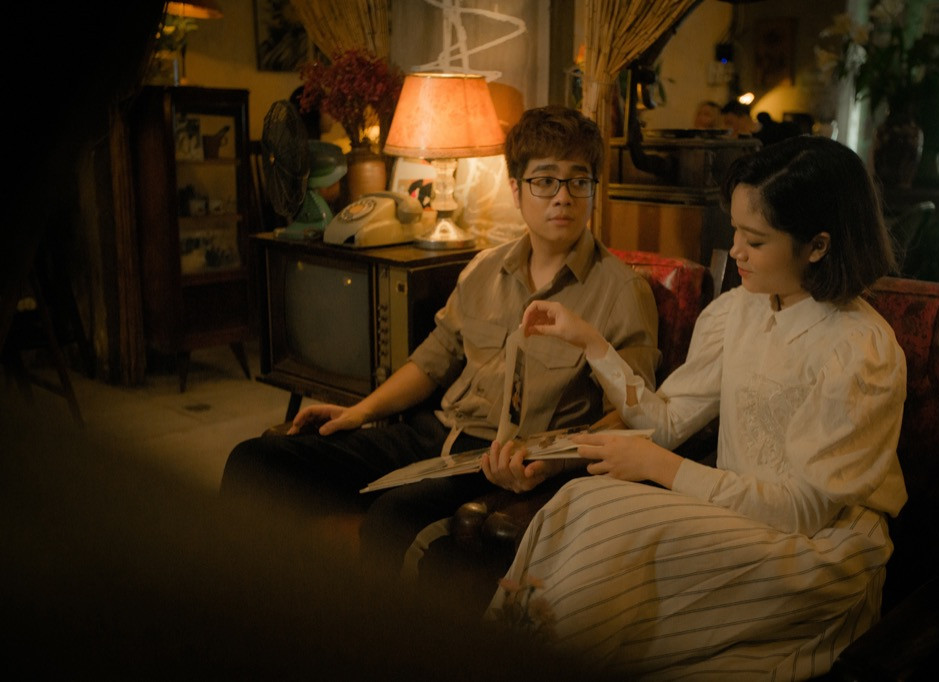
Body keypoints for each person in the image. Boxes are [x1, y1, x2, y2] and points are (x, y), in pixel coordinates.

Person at [486, 135, 908, 679]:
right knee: (582, 500)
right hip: (737, 518)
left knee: (608, 524)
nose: (736, 251)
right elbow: (665, 422)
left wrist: (659, 467)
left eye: (755, 240)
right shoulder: (739, 311)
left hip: (816, 550)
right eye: (735, 231)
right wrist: (591, 343)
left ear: (818, 246)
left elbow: (804, 511)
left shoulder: (859, 350)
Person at [220, 104, 660, 578]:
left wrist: (554, 461)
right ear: (516, 189)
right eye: (545, 180)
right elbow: (432, 361)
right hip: (431, 434)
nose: (563, 197)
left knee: (390, 520)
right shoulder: (484, 269)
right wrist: (360, 412)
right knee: (257, 461)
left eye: (579, 181)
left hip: (498, 460)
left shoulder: (621, 291)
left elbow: (632, 413)